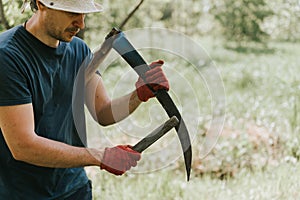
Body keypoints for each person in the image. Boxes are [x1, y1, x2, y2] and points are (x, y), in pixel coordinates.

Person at [0, 0, 169, 199]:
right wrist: (101, 156)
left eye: (84, 14)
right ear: (42, 4)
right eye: (73, 13)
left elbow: (103, 112)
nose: (81, 24)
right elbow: (23, 146)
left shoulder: (78, 50)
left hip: (74, 188)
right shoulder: (8, 56)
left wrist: (138, 95)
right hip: (22, 192)